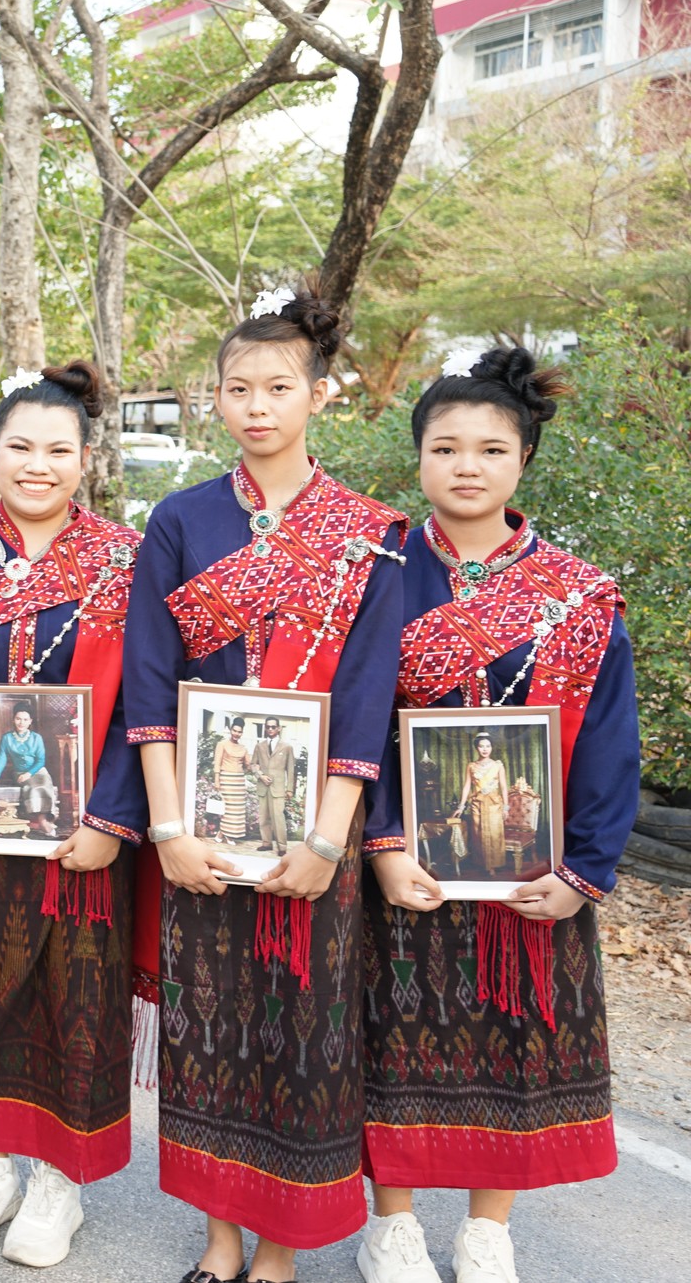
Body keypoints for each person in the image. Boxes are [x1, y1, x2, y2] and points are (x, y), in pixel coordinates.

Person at [123, 289, 406, 1283]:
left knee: (299, 1036)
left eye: (278, 387)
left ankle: (278, 1251)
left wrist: (326, 841)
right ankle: (217, 1241)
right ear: (215, 398)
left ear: (318, 394)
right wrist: (166, 827)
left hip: (313, 833)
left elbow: (367, 697)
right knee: (206, 1030)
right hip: (198, 827)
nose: (257, 406)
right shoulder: (180, 520)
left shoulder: (370, 535)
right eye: (238, 388)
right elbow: (149, 680)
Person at [355, 348, 638, 1283]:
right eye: (445, 447)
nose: (466, 466)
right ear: (418, 457)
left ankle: (488, 1228)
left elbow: (609, 740)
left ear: (524, 460)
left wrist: (582, 868)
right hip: (404, 862)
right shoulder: (378, 574)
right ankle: (392, 1223)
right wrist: (383, 842)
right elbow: (357, 722)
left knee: (513, 1038)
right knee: (390, 1037)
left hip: (529, 865)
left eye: (490, 448)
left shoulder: (579, 593)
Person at [0, 360, 147, 1269]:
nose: (38, 465)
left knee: (77, 994)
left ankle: (62, 1177)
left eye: (58, 450)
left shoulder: (128, 558)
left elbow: (147, 703)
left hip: (85, 824)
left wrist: (114, 816)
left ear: (86, 459)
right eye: (20, 446)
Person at [0, 705, 61, 838]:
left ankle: (42, 821)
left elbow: (41, 761)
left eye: (25, 719)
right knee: (32, 787)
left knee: (42, 786)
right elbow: (2, 759)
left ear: (30, 721)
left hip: (38, 772)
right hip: (19, 773)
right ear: (13, 719)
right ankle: (42, 823)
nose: (21, 722)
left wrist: (29, 774)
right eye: (18, 719)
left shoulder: (37, 738)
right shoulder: (7, 738)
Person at [456, 733, 513, 874]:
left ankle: (494, 864)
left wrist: (506, 808)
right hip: (478, 804)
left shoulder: (498, 765)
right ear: (477, 748)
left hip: (494, 804)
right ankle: (482, 863)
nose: (485, 749)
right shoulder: (471, 766)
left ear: (492, 747)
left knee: (494, 834)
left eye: (488, 746)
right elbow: (467, 786)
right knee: (478, 834)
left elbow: (504, 787)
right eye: (481, 746)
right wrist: (461, 806)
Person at [253, 717, 297, 855]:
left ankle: (282, 847)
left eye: (273, 727)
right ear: (265, 728)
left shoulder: (287, 747)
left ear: (278, 728)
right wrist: (260, 775)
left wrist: (289, 789)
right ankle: (266, 843)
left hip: (277, 789)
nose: (270, 729)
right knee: (263, 817)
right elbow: (253, 765)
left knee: (278, 818)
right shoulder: (259, 746)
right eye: (268, 727)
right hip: (263, 788)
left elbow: (290, 769)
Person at [212, 717, 253, 845]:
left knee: (237, 810)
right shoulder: (222, 744)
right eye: (234, 731)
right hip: (226, 779)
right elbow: (217, 763)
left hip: (238, 781)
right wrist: (217, 780)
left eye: (239, 732)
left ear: (242, 733)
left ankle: (227, 835)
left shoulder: (243, 748)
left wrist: (253, 763)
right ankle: (223, 834)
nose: (236, 734)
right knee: (228, 808)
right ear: (231, 730)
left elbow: (248, 765)